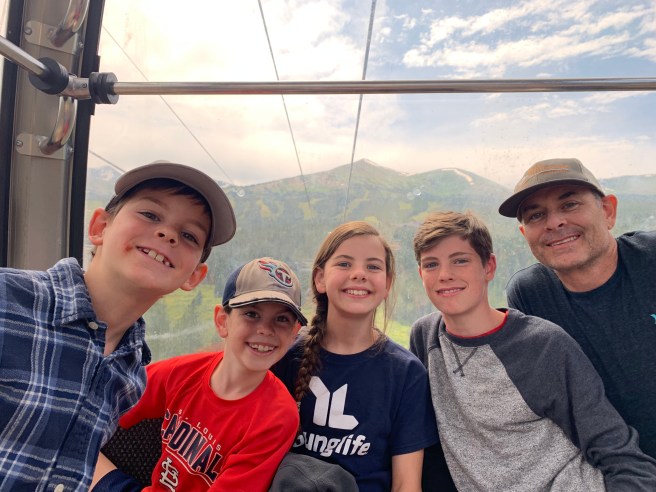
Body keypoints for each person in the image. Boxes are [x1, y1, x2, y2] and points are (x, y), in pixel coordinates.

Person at [0, 160, 236, 491]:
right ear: (100, 227)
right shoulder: (8, 301)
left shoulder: (131, 372)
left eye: (188, 235)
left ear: (193, 277)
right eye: (150, 215)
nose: (168, 233)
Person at [409, 210, 656, 491]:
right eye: (431, 264)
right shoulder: (426, 337)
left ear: (489, 267)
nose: (444, 275)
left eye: (460, 260)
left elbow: (618, 452)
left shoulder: (543, 344)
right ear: (420, 274)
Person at [90, 257, 306, 491]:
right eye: (252, 314)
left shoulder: (276, 418)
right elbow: (110, 401)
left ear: (294, 333)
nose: (265, 329)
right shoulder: (184, 373)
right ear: (222, 321)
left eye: (282, 319)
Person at [499, 157, 656, 460]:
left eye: (569, 204)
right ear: (524, 234)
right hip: (611, 467)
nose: (554, 222)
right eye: (536, 215)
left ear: (608, 211)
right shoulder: (530, 295)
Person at [273, 221, 439, 492]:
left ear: (387, 284)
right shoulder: (284, 358)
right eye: (344, 264)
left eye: (373, 266)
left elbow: (406, 484)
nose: (359, 274)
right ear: (320, 278)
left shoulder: (406, 374)